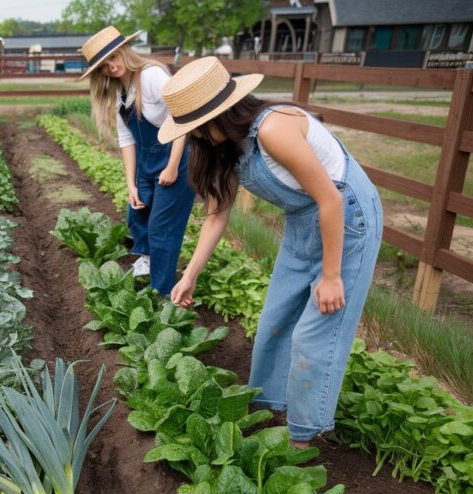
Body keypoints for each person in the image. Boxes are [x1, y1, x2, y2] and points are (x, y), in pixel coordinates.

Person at [158, 57, 383, 447]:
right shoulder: (226, 146)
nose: (193, 138)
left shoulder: (274, 129)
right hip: (303, 220)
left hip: (346, 219)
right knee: (274, 322)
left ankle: (302, 439)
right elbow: (216, 215)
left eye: (195, 129)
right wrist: (189, 275)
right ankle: (266, 410)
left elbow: (330, 199)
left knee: (315, 333)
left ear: (220, 114)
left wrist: (331, 276)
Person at [80, 26, 195, 294]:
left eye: (113, 58)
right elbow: (127, 140)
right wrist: (131, 183)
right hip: (146, 161)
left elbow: (183, 117)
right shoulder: (120, 91)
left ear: (124, 52)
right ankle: (148, 259)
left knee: (162, 228)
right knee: (137, 212)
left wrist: (172, 166)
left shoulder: (152, 76)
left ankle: (163, 292)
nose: (111, 66)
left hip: (174, 156)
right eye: (103, 66)